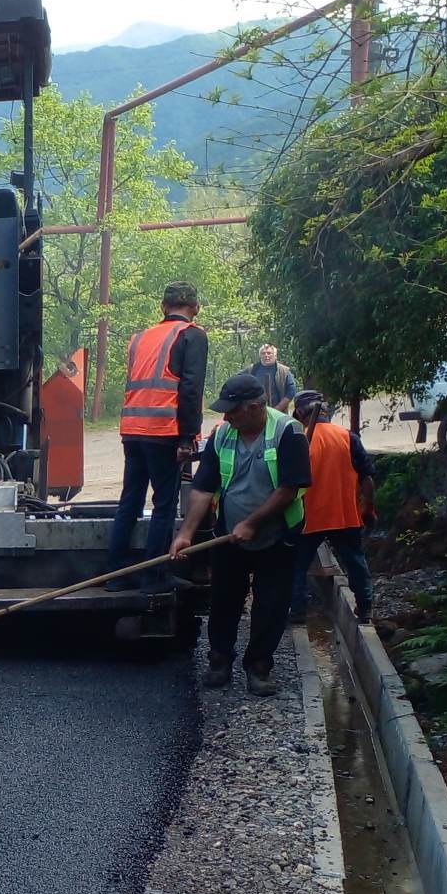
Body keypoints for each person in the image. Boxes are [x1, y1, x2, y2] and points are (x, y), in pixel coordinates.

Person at [169, 371, 311, 697]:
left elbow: (289, 488)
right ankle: (220, 661)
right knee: (223, 599)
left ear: (256, 406)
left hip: (278, 537)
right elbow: (204, 488)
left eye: (233, 410)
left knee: (271, 604)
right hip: (229, 536)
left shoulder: (288, 432)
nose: (226, 416)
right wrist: (186, 534)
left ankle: (259, 667)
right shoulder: (223, 435)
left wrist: (252, 523)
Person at [105, 281, 207, 580]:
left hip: (132, 429)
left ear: (163, 307)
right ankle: (154, 575)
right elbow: (190, 388)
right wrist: (188, 437)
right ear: (195, 308)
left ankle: (116, 574)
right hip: (164, 431)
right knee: (164, 504)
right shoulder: (192, 335)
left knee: (130, 501)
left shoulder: (140, 338)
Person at [289, 389, 375, 624]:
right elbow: (366, 477)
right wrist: (368, 507)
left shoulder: (299, 441)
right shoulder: (348, 437)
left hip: (309, 518)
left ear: (298, 413)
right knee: (355, 562)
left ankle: (297, 612)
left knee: (297, 565)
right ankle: (365, 609)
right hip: (344, 515)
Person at [234, 343, 298, 414]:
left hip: (279, 413)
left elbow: (291, 391)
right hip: (256, 413)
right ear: (260, 356)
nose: (266, 355)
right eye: (263, 353)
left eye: (269, 353)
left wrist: (278, 408)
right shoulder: (252, 369)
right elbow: (236, 380)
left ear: (275, 355)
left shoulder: (284, 371)